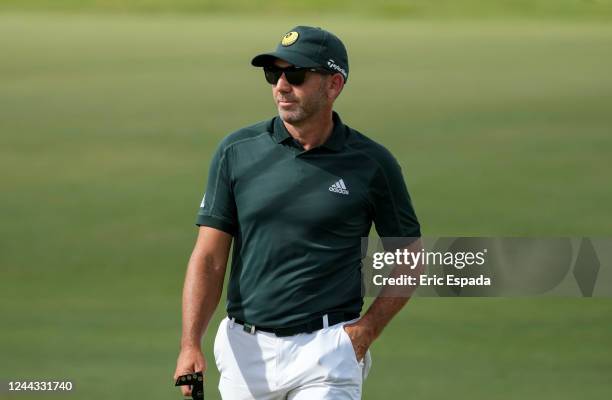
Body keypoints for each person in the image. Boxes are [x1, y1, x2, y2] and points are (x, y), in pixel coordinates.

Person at [174, 25, 422, 400]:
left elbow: (410, 258)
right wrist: (190, 343)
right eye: (274, 74)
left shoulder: (372, 164)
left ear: (334, 85)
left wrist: (365, 331)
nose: (281, 86)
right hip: (245, 353)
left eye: (297, 75)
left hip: (328, 352)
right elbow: (208, 258)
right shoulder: (236, 151)